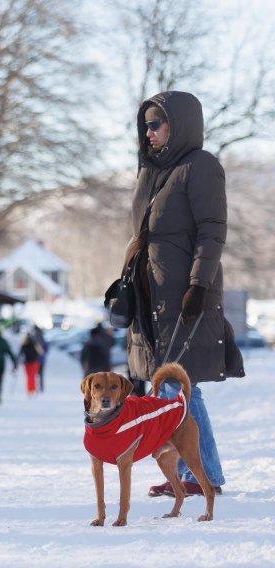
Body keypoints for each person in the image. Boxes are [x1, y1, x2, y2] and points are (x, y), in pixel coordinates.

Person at [125, 91, 245, 499]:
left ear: (178, 127)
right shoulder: (151, 170)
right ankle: (196, 472)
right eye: (146, 125)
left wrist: (198, 284)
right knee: (172, 386)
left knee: (176, 385)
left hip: (184, 295)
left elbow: (212, 230)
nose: (149, 131)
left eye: (156, 124)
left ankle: (203, 474)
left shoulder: (201, 167)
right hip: (152, 295)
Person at [33, 325, 49, 392]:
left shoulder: (37, 339)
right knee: (37, 374)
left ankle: (39, 387)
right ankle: (38, 387)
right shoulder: (38, 339)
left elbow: (46, 349)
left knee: (38, 374)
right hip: (37, 360)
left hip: (39, 360)